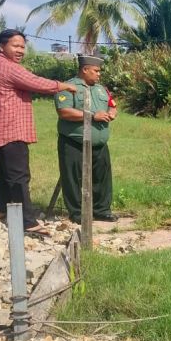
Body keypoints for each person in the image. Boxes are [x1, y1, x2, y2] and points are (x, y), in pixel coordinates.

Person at [0, 29, 77, 235]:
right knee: (19, 176)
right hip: (10, 130)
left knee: (5, 171)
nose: (21, 50)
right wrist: (64, 86)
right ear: (2, 46)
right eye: (16, 46)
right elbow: (37, 82)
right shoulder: (8, 67)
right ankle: (28, 222)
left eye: (22, 46)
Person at [55, 54, 118, 224]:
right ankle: (77, 213)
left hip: (99, 144)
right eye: (96, 71)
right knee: (72, 178)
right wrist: (92, 116)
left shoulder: (101, 89)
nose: (99, 74)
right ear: (85, 69)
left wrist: (112, 113)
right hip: (74, 142)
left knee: (102, 178)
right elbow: (64, 111)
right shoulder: (68, 87)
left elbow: (112, 105)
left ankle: (102, 210)